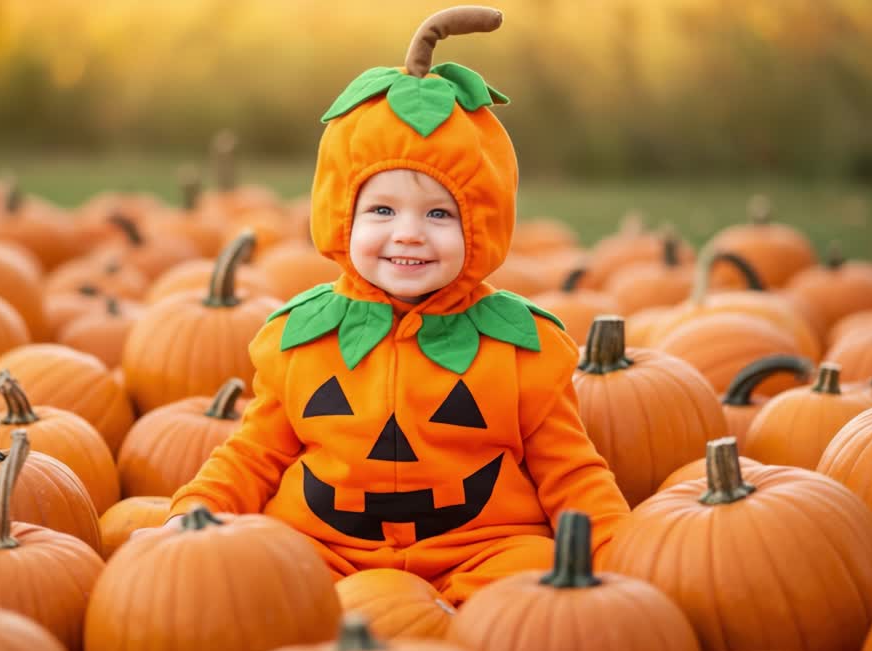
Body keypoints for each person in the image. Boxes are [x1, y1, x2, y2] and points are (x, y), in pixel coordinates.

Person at [163, 6, 628, 605]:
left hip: (481, 547)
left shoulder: (520, 352)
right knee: (267, 574)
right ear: (342, 216)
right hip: (327, 547)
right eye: (381, 211)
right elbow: (254, 453)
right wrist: (200, 509)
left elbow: (572, 473)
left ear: (481, 225)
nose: (408, 234)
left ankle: (470, 639)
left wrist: (621, 551)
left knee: (531, 578)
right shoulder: (303, 341)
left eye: (439, 214)